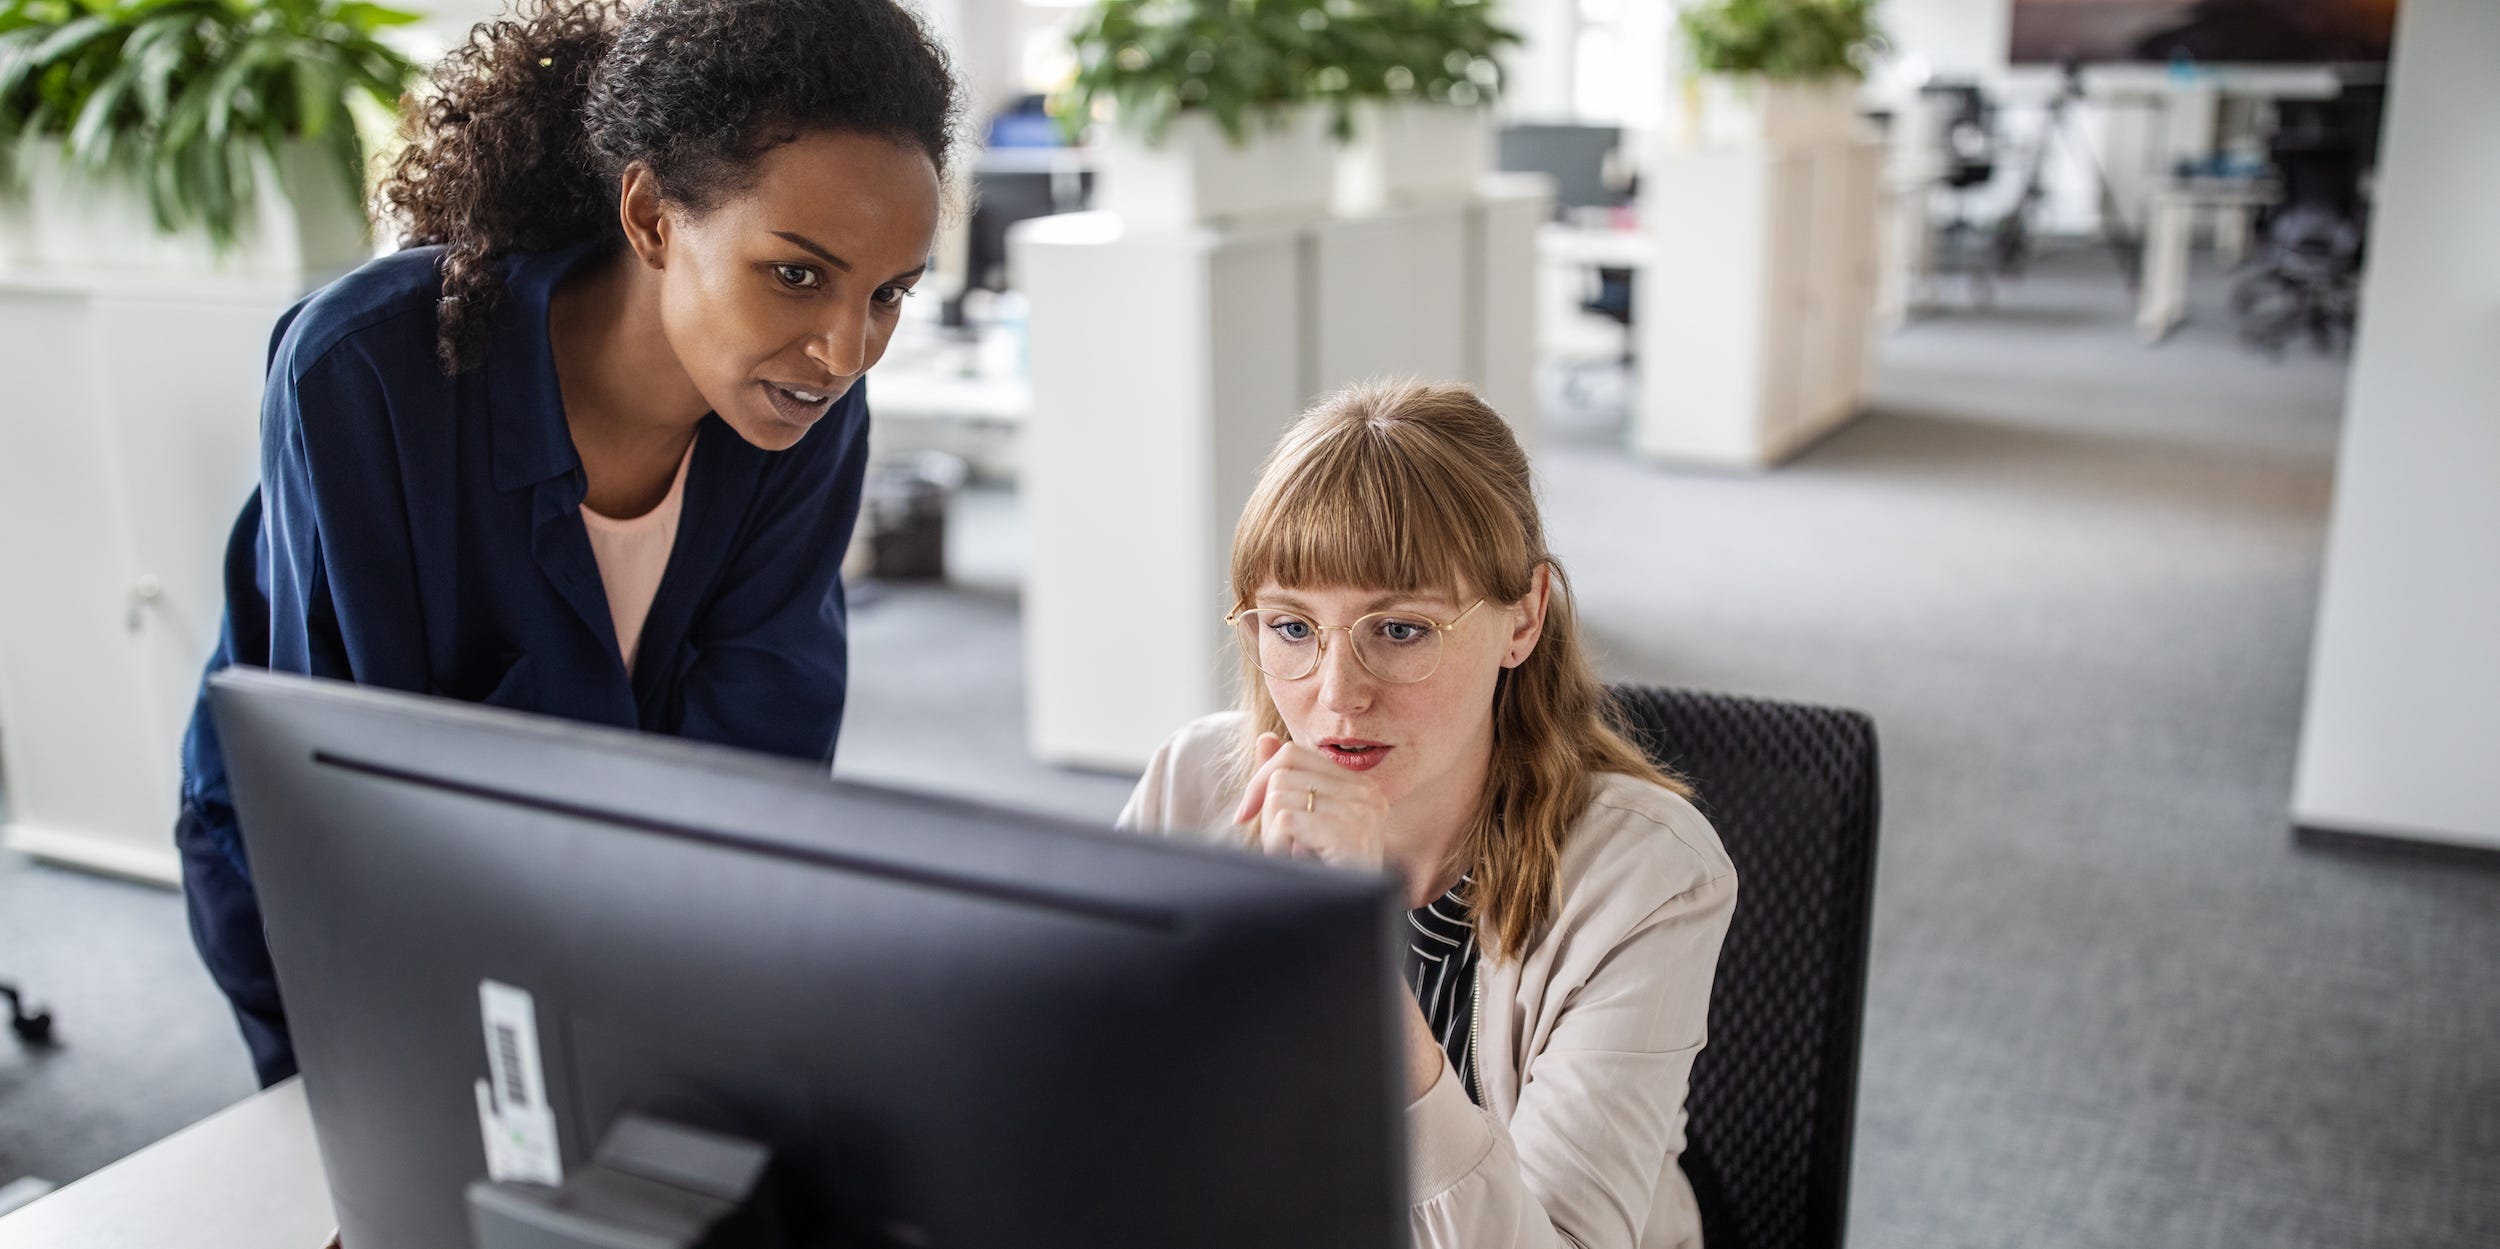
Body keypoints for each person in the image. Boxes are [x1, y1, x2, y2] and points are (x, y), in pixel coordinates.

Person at [175, 0, 960, 1087]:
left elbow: (759, 770)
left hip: (609, 902)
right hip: (325, 887)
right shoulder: (364, 373)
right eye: (795, 273)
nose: (844, 349)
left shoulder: (806, 419)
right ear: (649, 216)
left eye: (889, 295)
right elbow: (354, 791)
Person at [1118, 380, 1738, 1248]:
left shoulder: (1648, 878)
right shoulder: (1194, 784)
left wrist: (1356, 959)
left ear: (1523, 616)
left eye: (1400, 629)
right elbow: (1101, 1104)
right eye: (1293, 628)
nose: (1338, 697)